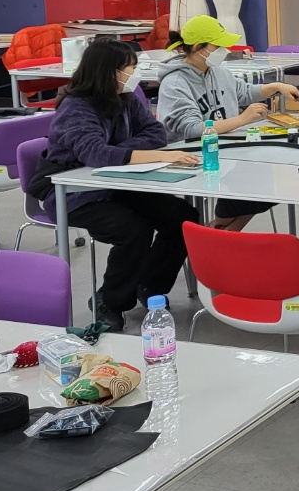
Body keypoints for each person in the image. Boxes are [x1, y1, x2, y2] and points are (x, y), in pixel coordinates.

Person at [39, 39, 201, 331]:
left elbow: (156, 133)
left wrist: (118, 151)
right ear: (110, 71)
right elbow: (95, 154)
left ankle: (150, 285)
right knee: (133, 230)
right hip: (75, 193)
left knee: (183, 218)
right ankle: (110, 301)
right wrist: (146, 155)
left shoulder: (125, 98)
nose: (135, 74)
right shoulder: (76, 107)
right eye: (131, 68)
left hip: (119, 183)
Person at [156, 15, 299, 231]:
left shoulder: (218, 72)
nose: (224, 50)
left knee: (265, 178)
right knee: (249, 182)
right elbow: (192, 129)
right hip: (193, 155)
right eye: (218, 46)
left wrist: (277, 87)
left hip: (228, 149)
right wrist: (242, 119)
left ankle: (221, 230)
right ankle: (219, 231)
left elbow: (244, 92)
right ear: (197, 48)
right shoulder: (175, 83)